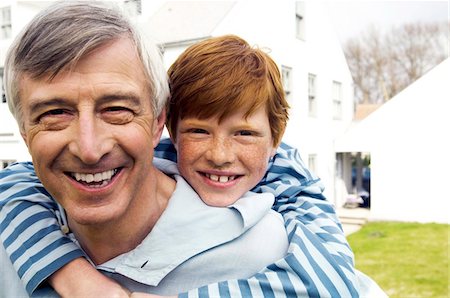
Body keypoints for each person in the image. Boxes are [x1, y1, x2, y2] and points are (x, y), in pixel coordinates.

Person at [0, 1, 382, 297]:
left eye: (116, 109)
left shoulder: (282, 214)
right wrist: (70, 273)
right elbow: (14, 180)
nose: (89, 148)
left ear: (154, 122)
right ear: (170, 128)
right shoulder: (20, 213)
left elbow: (333, 280)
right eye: (54, 112)